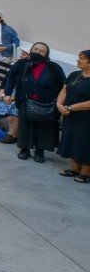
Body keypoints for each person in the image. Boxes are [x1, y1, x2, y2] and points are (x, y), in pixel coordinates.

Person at [5, 41, 66, 162]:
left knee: (43, 128)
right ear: (31, 50)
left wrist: (60, 103)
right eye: (36, 49)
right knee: (25, 126)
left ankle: (39, 151)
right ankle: (24, 149)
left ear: (46, 54)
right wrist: (7, 93)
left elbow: (64, 86)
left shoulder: (54, 68)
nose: (38, 52)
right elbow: (10, 78)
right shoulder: (21, 64)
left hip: (47, 104)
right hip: (24, 100)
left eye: (42, 51)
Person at [57, 50, 90, 182]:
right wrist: (60, 105)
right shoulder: (75, 75)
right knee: (71, 139)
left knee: (85, 143)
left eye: (81, 58)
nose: (77, 60)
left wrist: (71, 107)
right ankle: (74, 168)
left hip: (85, 117)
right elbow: (64, 90)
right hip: (69, 115)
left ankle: (86, 173)